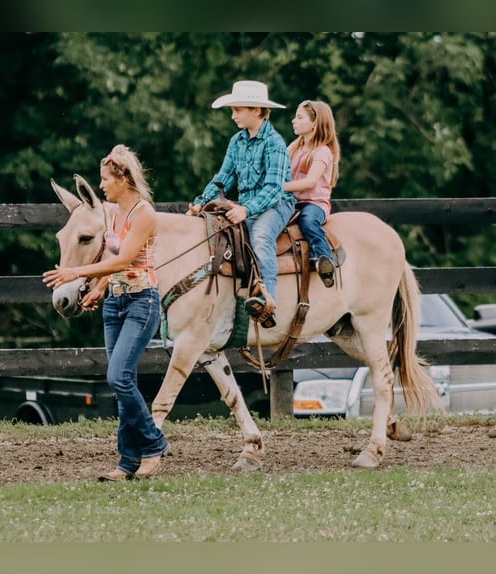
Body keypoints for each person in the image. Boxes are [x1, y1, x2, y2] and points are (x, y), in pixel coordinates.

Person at [42, 144, 168, 482]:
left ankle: (154, 443)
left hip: (143, 301)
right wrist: (98, 289)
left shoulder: (144, 214)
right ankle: (128, 463)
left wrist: (75, 275)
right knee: (123, 381)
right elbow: (108, 258)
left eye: (105, 180)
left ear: (124, 178)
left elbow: (125, 260)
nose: (102, 186)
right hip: (115, 303)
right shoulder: (110, 213)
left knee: (118, 377)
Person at [187, 80, 295, 328]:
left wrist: (245, 209)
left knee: (260, 236)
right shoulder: (237, 141)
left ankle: (268, 299)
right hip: (246, 204)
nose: (233, 115)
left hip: (276, 205)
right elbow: (223, 178)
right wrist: (200, 203)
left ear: (257, 111)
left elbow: (274, 189)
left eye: (238, 110)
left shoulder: (274, 143)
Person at [283, 99, 341, 288]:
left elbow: (310, 182)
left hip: (314, 204)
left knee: (308, 221)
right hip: (292, 201)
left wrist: (280, 187)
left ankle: (324, 258)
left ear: (315, 124)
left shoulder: (322, 152)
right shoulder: (295, 147)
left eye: (299, 117)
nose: (294, 121)